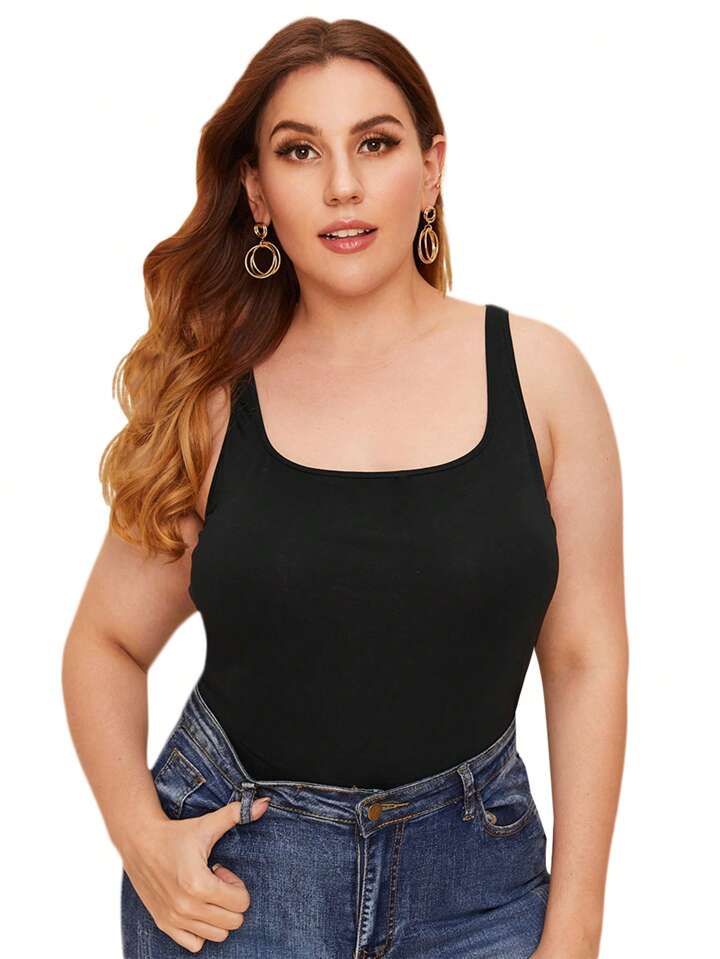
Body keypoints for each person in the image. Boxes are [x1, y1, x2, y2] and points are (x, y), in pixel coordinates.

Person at [62, 17, 627, 959]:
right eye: (299, 150)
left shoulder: (543, 378)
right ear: (256, 190)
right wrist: (141, 839)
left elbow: (584, 657)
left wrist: (577, 924)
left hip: (479, 890)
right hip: (238, 885)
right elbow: (105, 642)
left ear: (431, 166)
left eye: (376, 142)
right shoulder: (212, 401)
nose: (342, 186)